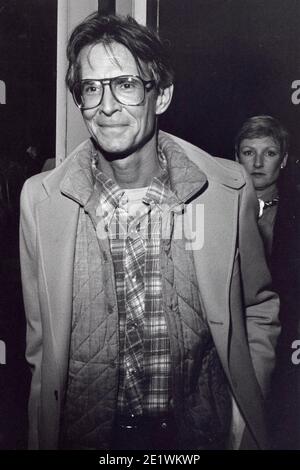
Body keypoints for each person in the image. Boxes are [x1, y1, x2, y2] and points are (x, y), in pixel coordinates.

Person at [20, 13, 279, 450]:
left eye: (125, 84)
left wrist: (241, 418)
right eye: (91, 88)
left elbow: (257, 308)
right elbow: (40, 349)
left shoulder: (224, 192)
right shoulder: (41, 204)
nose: (106, 106)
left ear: (160, 96)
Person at [235, 115, 300, 449]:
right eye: (249, 152)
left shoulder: (294, 213)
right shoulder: (217, 211)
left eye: (269, 153)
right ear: (236, 158)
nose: (258, 162)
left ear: (284, 159)